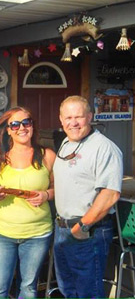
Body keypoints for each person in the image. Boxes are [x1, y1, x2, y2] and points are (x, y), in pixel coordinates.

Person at [53, 95, 123, 298]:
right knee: (68, 289)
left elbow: (110, 194)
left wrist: (82, 226)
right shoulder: (67, 142)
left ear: (90, 117)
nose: (73, 123)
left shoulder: (104, 148)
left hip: (88, 231)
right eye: (68, 117)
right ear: (61, 119)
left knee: (88, 292)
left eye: (79, 117)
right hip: (63, 229)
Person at [0, 107, 55, 298]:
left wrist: (46, 195)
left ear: (32, 126)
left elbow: (59, 188)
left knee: (28, 288)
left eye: (26, 122)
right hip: (2, 232)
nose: (21, 128)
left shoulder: (47, 155)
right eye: (14, 124)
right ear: (7, 129)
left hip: (37, 233)